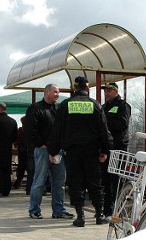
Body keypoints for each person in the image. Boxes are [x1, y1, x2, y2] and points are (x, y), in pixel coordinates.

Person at [48, 76, 112, 227]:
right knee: (95, 182)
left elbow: (57, 131)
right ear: (87, 89)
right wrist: (104, 150)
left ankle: (80, 216)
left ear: (75, 88)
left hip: (72, 151)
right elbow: (103, 129)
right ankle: (99, 215)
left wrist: (53, 151)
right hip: (91, 150)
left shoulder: (65, 105)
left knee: (75, 182)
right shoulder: (95, 104)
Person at [26, 83, 73, 220]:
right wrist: (42, 145)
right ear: (46, 93)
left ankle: (59, 210)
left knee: (59, 182)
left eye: (58, 92)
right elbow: (30, 130)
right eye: (55, 92)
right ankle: (34, 209)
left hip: (58, 151)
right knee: (39, 181)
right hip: (43, 151)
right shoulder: (35, 109)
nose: (57, 95)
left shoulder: (59, 109)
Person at [100, 82, 131, 216]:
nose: (106, 93)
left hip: (118, 146)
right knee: (106, 179)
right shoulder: (103, 106)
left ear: (116, 91)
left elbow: (123, 123)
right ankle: (107, 209)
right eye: (105, 91)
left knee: (116, 179)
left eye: (109, 91)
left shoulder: (123, 106)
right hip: (106, 147)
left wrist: (105, 123)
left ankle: (117, 208)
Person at [13, 116, 28, 190]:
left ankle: (18, 183)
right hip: (29, 152)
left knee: (21, 169)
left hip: (22, 152)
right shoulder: (30, 130)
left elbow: (16, 141)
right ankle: (28, 184)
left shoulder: (20, 130)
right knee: (30, 169)